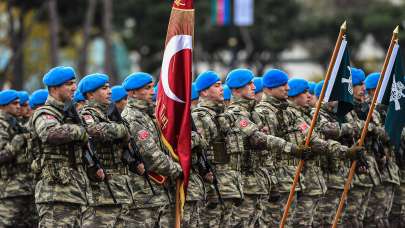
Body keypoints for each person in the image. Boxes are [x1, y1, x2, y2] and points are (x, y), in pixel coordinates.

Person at [31, 66, 90, 227]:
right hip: (55, 194)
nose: (74, 87)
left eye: (74, 83)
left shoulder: (68, 113)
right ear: (55, 88)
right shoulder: (44, 113)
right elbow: (50, 133)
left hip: (75, 192)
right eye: (69, 84)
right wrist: (80, 131)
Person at [122, 72, 182, 227]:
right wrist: (178, 170)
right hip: (142, 194)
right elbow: (151, 155)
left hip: (157, 192)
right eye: (147, 88)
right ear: (133, 93)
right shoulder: (132, 118)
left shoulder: (149, 115)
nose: (153, 91)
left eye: (152, 87)